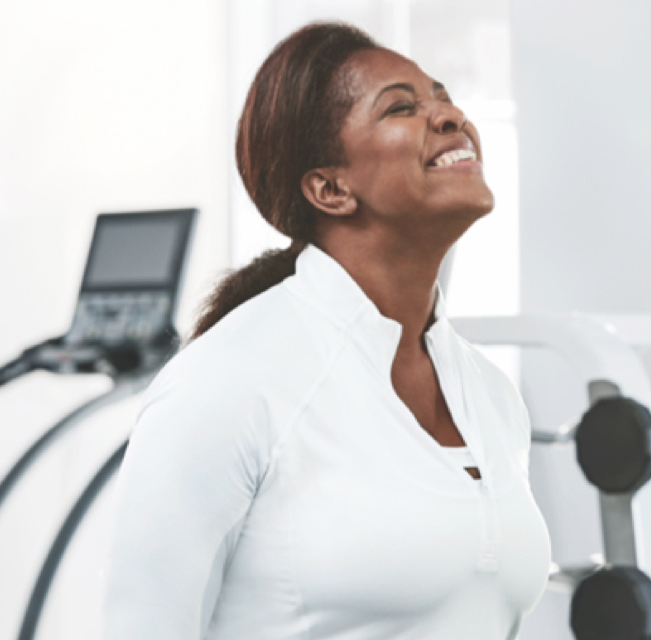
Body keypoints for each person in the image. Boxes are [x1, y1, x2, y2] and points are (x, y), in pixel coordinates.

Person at [100, 22, 551, 640]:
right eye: (402, 107)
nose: (448, 115)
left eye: (442, 95)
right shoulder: (230, 381)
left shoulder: (492, 397)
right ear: (331, 188)